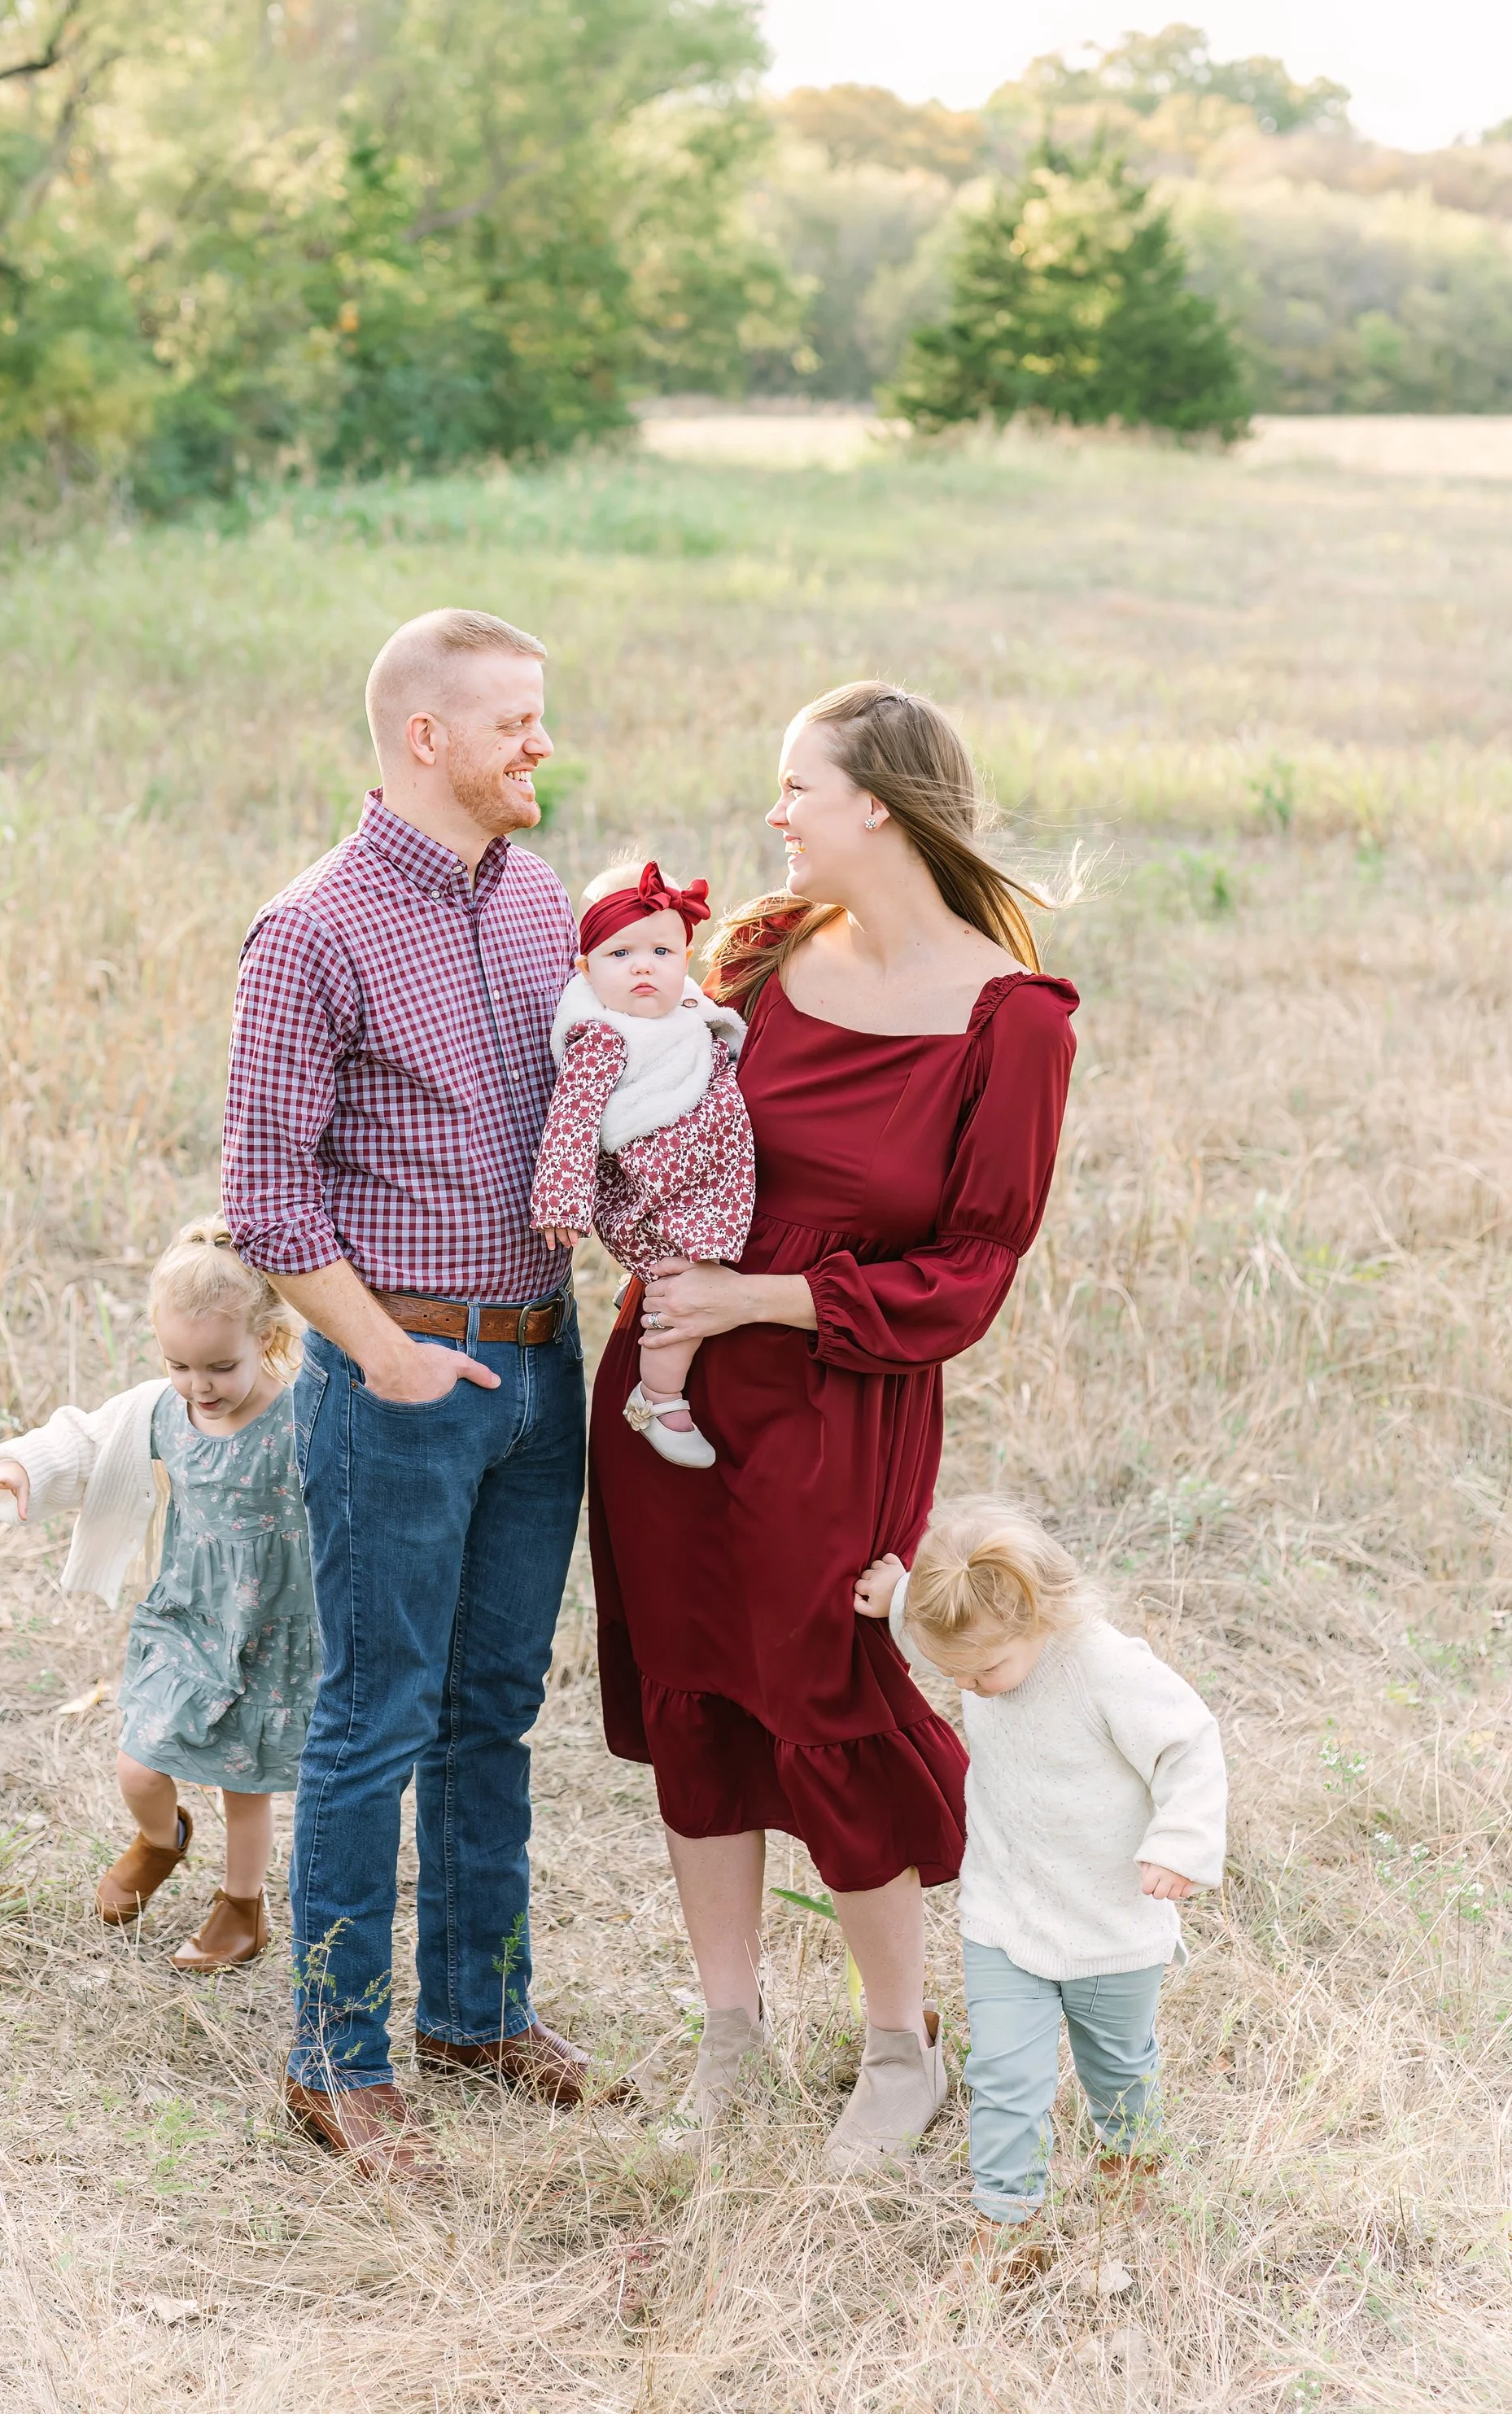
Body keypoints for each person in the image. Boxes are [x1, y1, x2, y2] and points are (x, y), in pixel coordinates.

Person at [584, 680, 1079, 2173]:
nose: (775, 811)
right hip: (668, 1379)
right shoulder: (761, 948)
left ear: (876, 802)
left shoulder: (1013, 1019)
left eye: (795, 784)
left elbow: (970, 1271)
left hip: (834, 1397)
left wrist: (758, 1298)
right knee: (694, 1689)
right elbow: (650, 1116)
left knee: (823, 1689)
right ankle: (727, 2030)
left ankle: (898, 2044)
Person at [221, 607, 596, 2182]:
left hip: (543, 1356)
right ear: (426, 736)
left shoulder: (546, 904)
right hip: (405, 1374)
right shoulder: (312, 928)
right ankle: (335, 2054)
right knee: (376, 1716)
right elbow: (262, 1192)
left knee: (492, 1705)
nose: (542, 746)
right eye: (516, 720)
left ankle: (476, 2009)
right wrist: (380, 1353)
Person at [857, 1500, 1226, 2251]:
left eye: (984, 1670)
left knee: (1119, 2069)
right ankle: (1003, 2222)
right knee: (1003, 2076)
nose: (973, 1686)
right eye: (953, 1673)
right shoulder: (980, 1642)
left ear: (1039, 1614)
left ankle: (1133, 2179)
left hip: (1110, 1921)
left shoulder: (1104, 1666)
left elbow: (1188, 1744)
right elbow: (951, 1632)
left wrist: (1180, 1844)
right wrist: (899, 1600)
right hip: (1007, 1915)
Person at [0, 1218, 313, 1974]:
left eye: (221, 1366)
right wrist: (21, 1469)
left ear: (269, 1336)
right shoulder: (161, 1408)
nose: (200, 1386)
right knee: (140, 1761)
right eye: (180, 1365)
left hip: (271, 1624)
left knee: (242, 1780)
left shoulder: (300, 1417)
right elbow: (88, 1440)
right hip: (187, 1615)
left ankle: (242, 1905)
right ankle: (162, 1841)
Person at [529, 860, 754, 1467]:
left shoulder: (684, 1011)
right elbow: (571, 1121)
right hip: (658, 1198)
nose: (643, 966)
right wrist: (561, 1198)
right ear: (586, 969)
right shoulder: (603, 1036)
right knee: (681, 1289)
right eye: (620, 953)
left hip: (706, 1187)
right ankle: (658, 1395)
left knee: (697, 1285)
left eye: (661, 949)